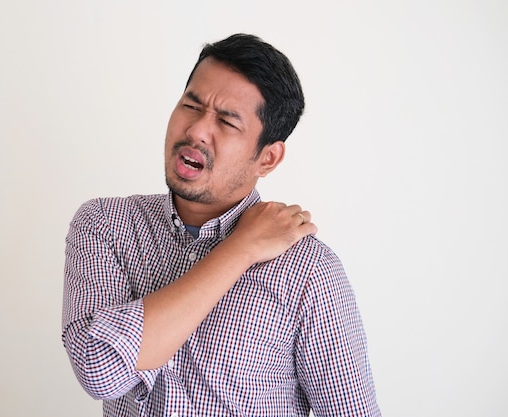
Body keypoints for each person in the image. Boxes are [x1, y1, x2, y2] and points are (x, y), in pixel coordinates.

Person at [62, 33, 380, 417]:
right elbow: (99, 371)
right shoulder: (105, 226)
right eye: (191, 105)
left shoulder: (310, 271)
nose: (196, 130)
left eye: (227, 122)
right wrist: (240, 249)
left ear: (268, 158)